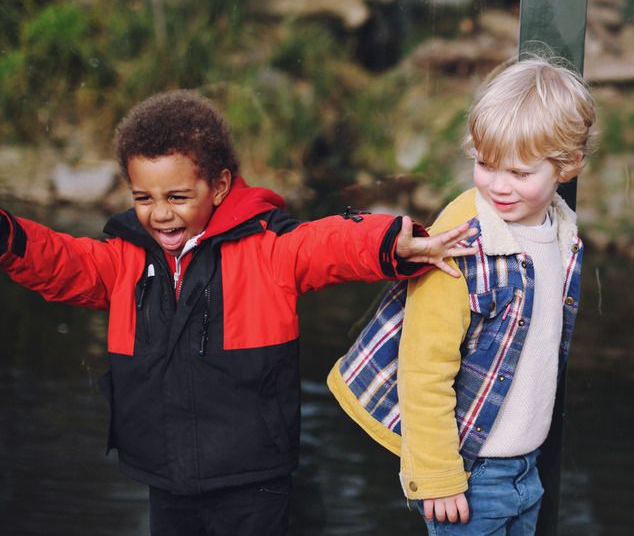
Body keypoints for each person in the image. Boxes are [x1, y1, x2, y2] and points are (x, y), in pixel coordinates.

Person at [0, 89, 475, 535]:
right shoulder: (126, 256)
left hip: (253, 477)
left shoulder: (267, 247)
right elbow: (62, 263)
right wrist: (8, 238)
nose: (159, 213)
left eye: (177, 197)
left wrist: (393, 240)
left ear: (220, 185)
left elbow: (329, 243)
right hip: (165, 474)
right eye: (143, 198)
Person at [328, 57, 597, 534]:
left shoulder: (560, 232)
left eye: (518, 172)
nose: (498, 185)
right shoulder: (461, 243)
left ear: (568, 166)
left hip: (526, 466)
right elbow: (424, 367)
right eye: (485, 164)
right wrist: (438, 476)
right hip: (471, 475)